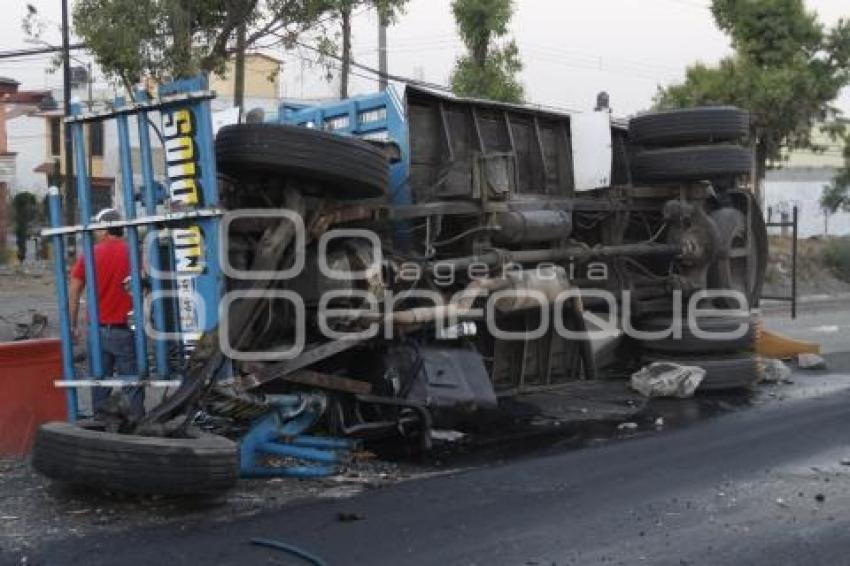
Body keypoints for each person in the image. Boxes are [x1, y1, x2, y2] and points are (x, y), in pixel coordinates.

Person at [69, 208, 143, 416]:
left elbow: (74, 291)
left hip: (97, 332)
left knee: (100, 384)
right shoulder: (133, 252)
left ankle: (100, 426)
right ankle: (138, 427)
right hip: (127, 330)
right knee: (133, 383)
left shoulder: (90, 254)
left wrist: (72, 324)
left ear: (104, 228)